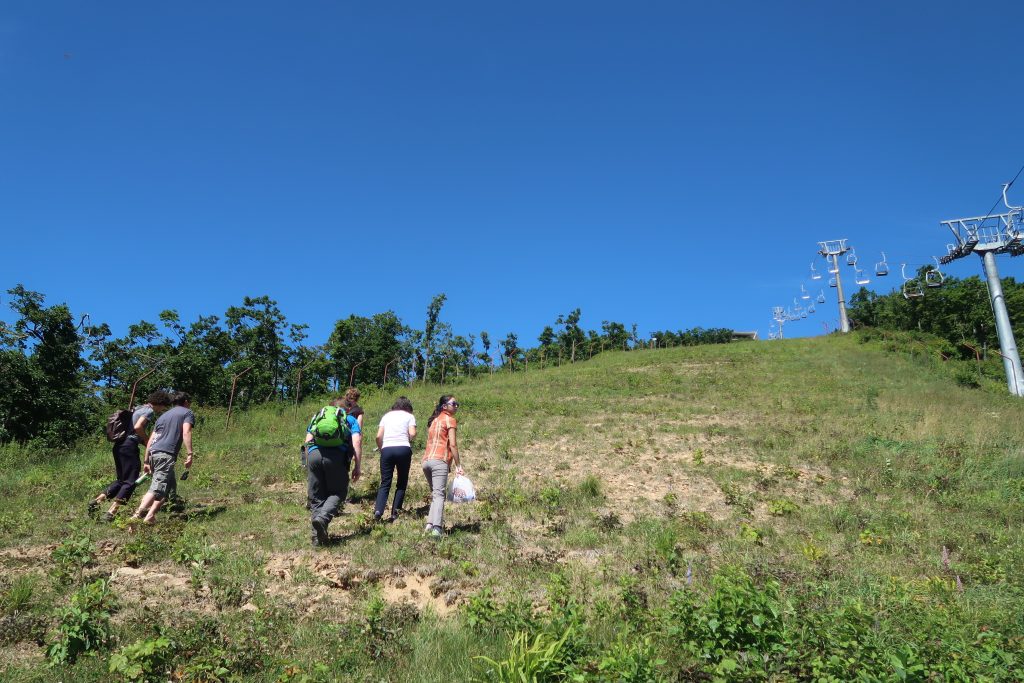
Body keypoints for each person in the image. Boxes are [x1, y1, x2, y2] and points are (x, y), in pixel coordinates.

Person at [89, 390, 172, 521]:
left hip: (119, 446)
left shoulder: (137, 408)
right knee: (131, 481)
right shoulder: (149, 411)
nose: (162, 410)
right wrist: (147, 440)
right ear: (160, 403)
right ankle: (111, 513)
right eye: (163, 407)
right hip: (129, 446)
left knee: (121, 480)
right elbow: (139, 427)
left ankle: (97, 501)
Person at [129, 391, 195, 525]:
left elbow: (151, 439)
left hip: (154, 453)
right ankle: (135, 517)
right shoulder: (187, 413)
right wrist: (190, 454)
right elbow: (186, 431)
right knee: (156, 488)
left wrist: (147, 460)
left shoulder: (163, 416)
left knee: (168, 486)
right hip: (165, 455)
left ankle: (150, 516)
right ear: (186, 402)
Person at [303, 397, 362, 546]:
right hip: (336, 457)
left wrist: (307, 462)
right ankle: (322, 519)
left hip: (314, 455)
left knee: (317, 497)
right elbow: (357, 442)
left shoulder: (318, 417)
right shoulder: (349, 419)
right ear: (345, 409)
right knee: (338, 492)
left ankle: (317, 538)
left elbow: (307, 440)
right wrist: (357, 465)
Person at [422, 395, 464, 537]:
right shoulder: (450, 420)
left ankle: (429, 525)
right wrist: (458, 465)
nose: (456, 406)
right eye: (454, 403)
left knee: (435, 494)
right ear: (445, 406)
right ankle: (437, 529)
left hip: (426, 461)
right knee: (440, 495)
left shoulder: (434, 421)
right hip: (440, 460)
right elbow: (452, 444)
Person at [373, 397, 416, 523]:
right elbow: (412, 433)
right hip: (403, 449)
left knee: (385, 482)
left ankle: (378, 511)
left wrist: (382, 448)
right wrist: (407, 439)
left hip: (387, 450)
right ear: (407, 407)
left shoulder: (386, 416)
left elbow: (378, 436)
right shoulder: (409, 416)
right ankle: (395, 513)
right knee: (401, 482)